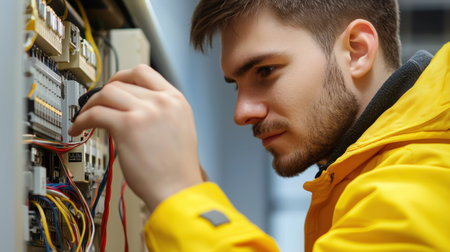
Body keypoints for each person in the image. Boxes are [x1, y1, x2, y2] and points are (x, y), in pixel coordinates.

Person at [69, 0, 450, 251]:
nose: (241, 112)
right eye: (236, 84)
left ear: (357, 51)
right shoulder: (370, 172)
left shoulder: (425, 179)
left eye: (265, 71)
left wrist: (178, 193)